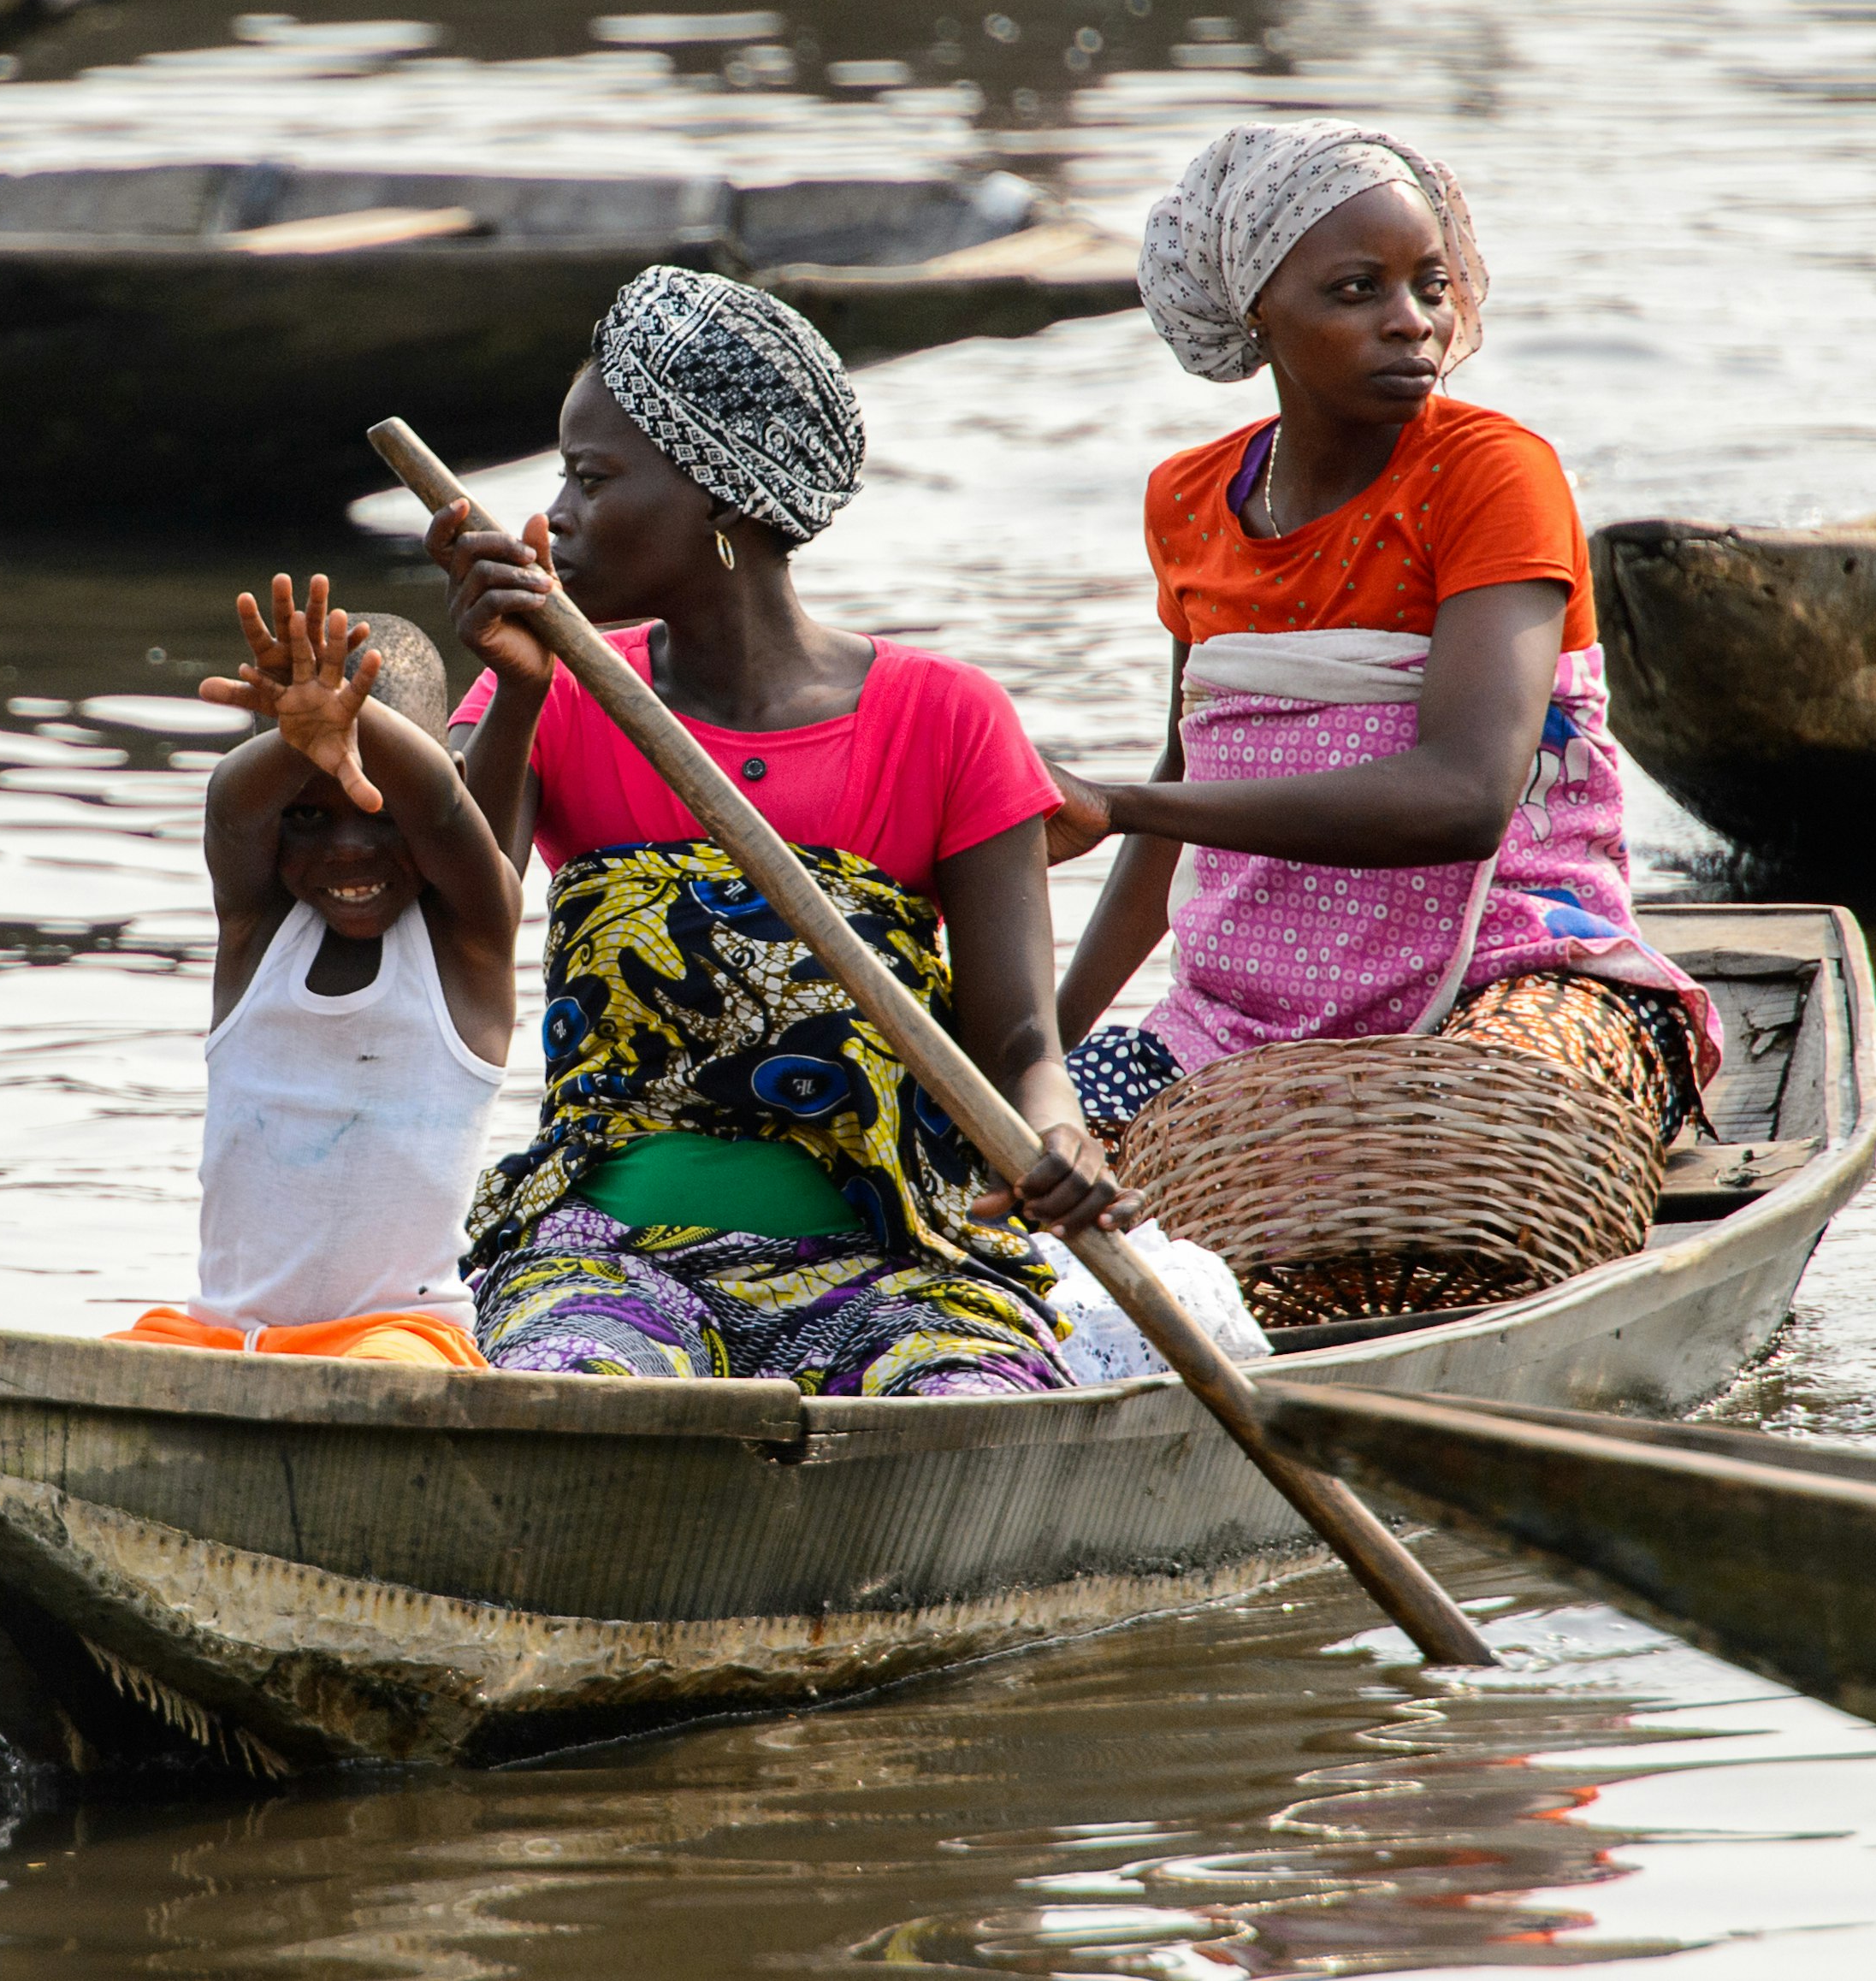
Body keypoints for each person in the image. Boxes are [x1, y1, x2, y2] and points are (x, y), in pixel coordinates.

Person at [429, 265, 1136, 1398]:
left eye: (592, 476)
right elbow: (449, 922)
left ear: (719, 497)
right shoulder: (558, 694)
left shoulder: (946, 716)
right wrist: (511, 696)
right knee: (576, 1393)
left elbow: (1018, 1047)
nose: (555, 516)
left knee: (962, 1410)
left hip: (895, 1262)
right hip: (608, 1260)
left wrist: (1060, 1137)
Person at [1049, 119, 1719, 1145]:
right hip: (1240, 1017)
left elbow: (1464, 799)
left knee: (1484, 1139)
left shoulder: (1494, 474)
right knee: (998, 1183)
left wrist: (1121, 805)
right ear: (1258, 312)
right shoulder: (1187, 501)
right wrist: (1040, 1054)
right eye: (1358, 289)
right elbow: (1192, 775)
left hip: (1512, 975)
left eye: (1431, 286)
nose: (1413, 323)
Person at [109, 577, 519, 1368]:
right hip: (221, 1334)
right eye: (306, 815)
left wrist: (352, 719)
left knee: (382, 1378)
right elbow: (231, 809)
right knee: (107, 1363)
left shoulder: (468, 942)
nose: (347, 849)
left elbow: (438, 806)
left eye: (378, 811)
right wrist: (300, 736)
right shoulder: (257, 933)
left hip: (401, 1337)